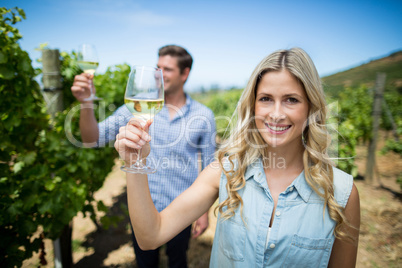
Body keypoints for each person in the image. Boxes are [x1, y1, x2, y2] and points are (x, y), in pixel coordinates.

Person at [114, 47, 361, 267]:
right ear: (252, 106)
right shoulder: (224, 170)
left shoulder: (341, 193)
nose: (276, 114)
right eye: (265, 99)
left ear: (310, 107)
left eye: (291, 100)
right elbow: (150, 237)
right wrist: (135, 162)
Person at [71, 45, 216, 267]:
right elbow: (93, 138)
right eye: (157, 68)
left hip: (182, 209)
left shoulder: (203, 115)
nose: (159, 74)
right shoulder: (136, 108)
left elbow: (209, 165)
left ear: (184, 74)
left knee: (178, 261)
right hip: (142, 209)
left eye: (166, 69)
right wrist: (86, 103)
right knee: (145, 263)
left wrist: (203, 212)